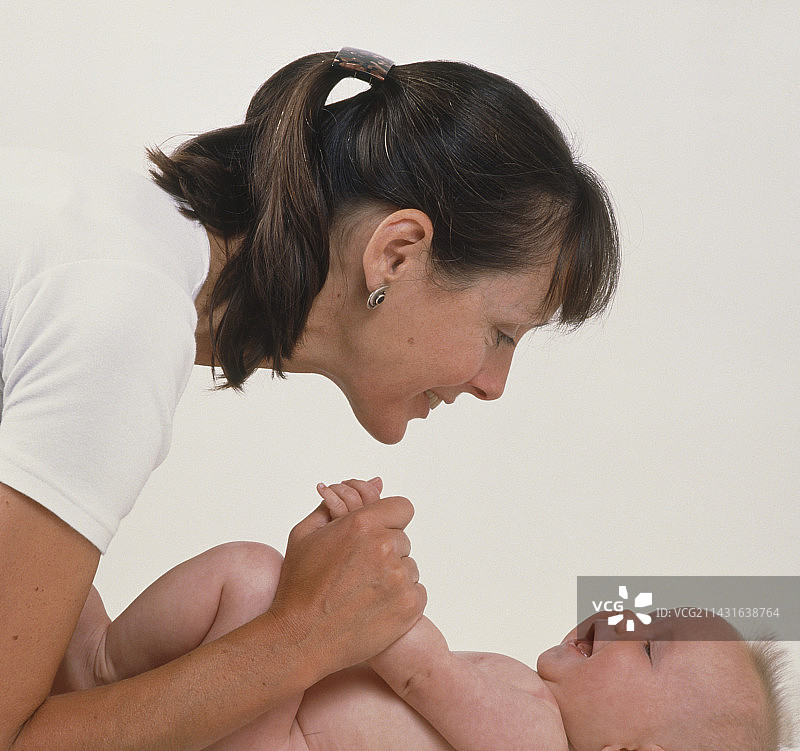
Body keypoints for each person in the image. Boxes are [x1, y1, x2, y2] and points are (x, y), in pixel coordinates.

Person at [0, 47, 620, 748]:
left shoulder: (112, 247)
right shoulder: (123, 321)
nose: (493, 384)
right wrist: (301, 635)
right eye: (503, 332)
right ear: (396, 253)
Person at [54, 478, 792, 751]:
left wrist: (359, 570)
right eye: (646, 611)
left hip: (271, 739)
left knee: (253, 578)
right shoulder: (529, 708)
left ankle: (100, 666)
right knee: (259, 590)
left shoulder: (532, 734)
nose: (625, 619)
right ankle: (102, 668)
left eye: (651, 647)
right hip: (269, 717)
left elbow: (417, 669)